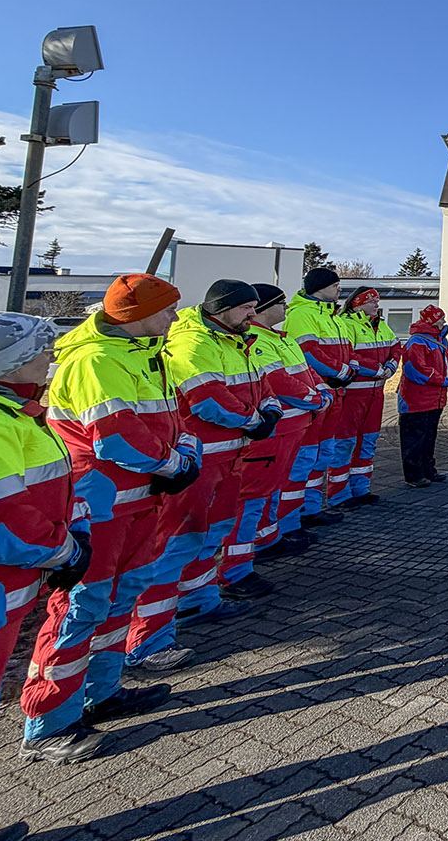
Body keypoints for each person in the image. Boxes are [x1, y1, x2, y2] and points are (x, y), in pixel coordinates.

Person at [23, 274, 198, 758]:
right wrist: (173, 463)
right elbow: (116, 438)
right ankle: (48, 723)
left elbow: (166, 419)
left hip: (139, 499)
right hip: (100, 506)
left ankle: (99, 694)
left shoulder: (141, 352)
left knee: (121, 599)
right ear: (138, 317)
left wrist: (179, 450)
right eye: (167, 310)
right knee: (81, 608)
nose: (175, 318)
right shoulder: (96, 361)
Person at [0, 313, 98, 831]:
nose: (53, 361)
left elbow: (49, 489)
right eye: (44, 351)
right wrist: (65, 554)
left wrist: (72, 535)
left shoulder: (14, 415)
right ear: (11, 363)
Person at [127, 280, 275, 673]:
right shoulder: (195, 345)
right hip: (200, 462)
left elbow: (262, 385)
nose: (252, 316)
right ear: (221, 309)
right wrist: (255, 420)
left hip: (230, 459)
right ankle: (147, 640)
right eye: (246, 308)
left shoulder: (236, 341)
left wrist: (269, 409)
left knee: (211, 533)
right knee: (175, 543)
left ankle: (199, 599)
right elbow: (208, 400)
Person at [245, 284, 332, 562]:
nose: (285, 307)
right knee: (266, 488)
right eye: (280, 302)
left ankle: (278, 531)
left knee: (283, 483)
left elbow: (307, 372)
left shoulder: (281, 339)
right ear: (264, 309)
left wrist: (323, 390)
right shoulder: (256, 340)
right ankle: (262, 540)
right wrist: (318, 399)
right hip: (278, 428)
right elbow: (280, 383)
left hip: (296, 426)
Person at [283, 267, 356, 526]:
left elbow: (347, 350)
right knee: (306, 456)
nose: (339, 289)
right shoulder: (303, 314)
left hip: (334, 392)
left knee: (322, 453)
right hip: (318, 393)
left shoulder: (332, 316)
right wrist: (342, 371)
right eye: (335, 284)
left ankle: (311, 507)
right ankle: (294, 516)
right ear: (319, 287)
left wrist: (347, 369)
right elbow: (307, 354)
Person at [337, 288, 399, 506]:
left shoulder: (380, 324)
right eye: (372, 301)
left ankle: (361, 487)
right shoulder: (345, 324)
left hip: (376, 392)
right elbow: (347, 354)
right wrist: (375, 369)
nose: (376, 304)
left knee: (368, 440)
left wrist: (391, 365)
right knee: (345, 442)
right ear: (357, 303)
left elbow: (395, 347)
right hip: (353, 392)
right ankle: (339, 493)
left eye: (377, 301)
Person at [398, 306, 448, 486]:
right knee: (414, 439)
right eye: (441, 318)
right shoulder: (417, 341)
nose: (444, 321)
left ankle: (428, 469)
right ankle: (414, 475)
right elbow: (416, 370)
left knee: (429, 437)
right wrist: (444, 380)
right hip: (416, 399)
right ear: (432, 321)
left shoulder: (439, 340)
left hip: (434, 398)